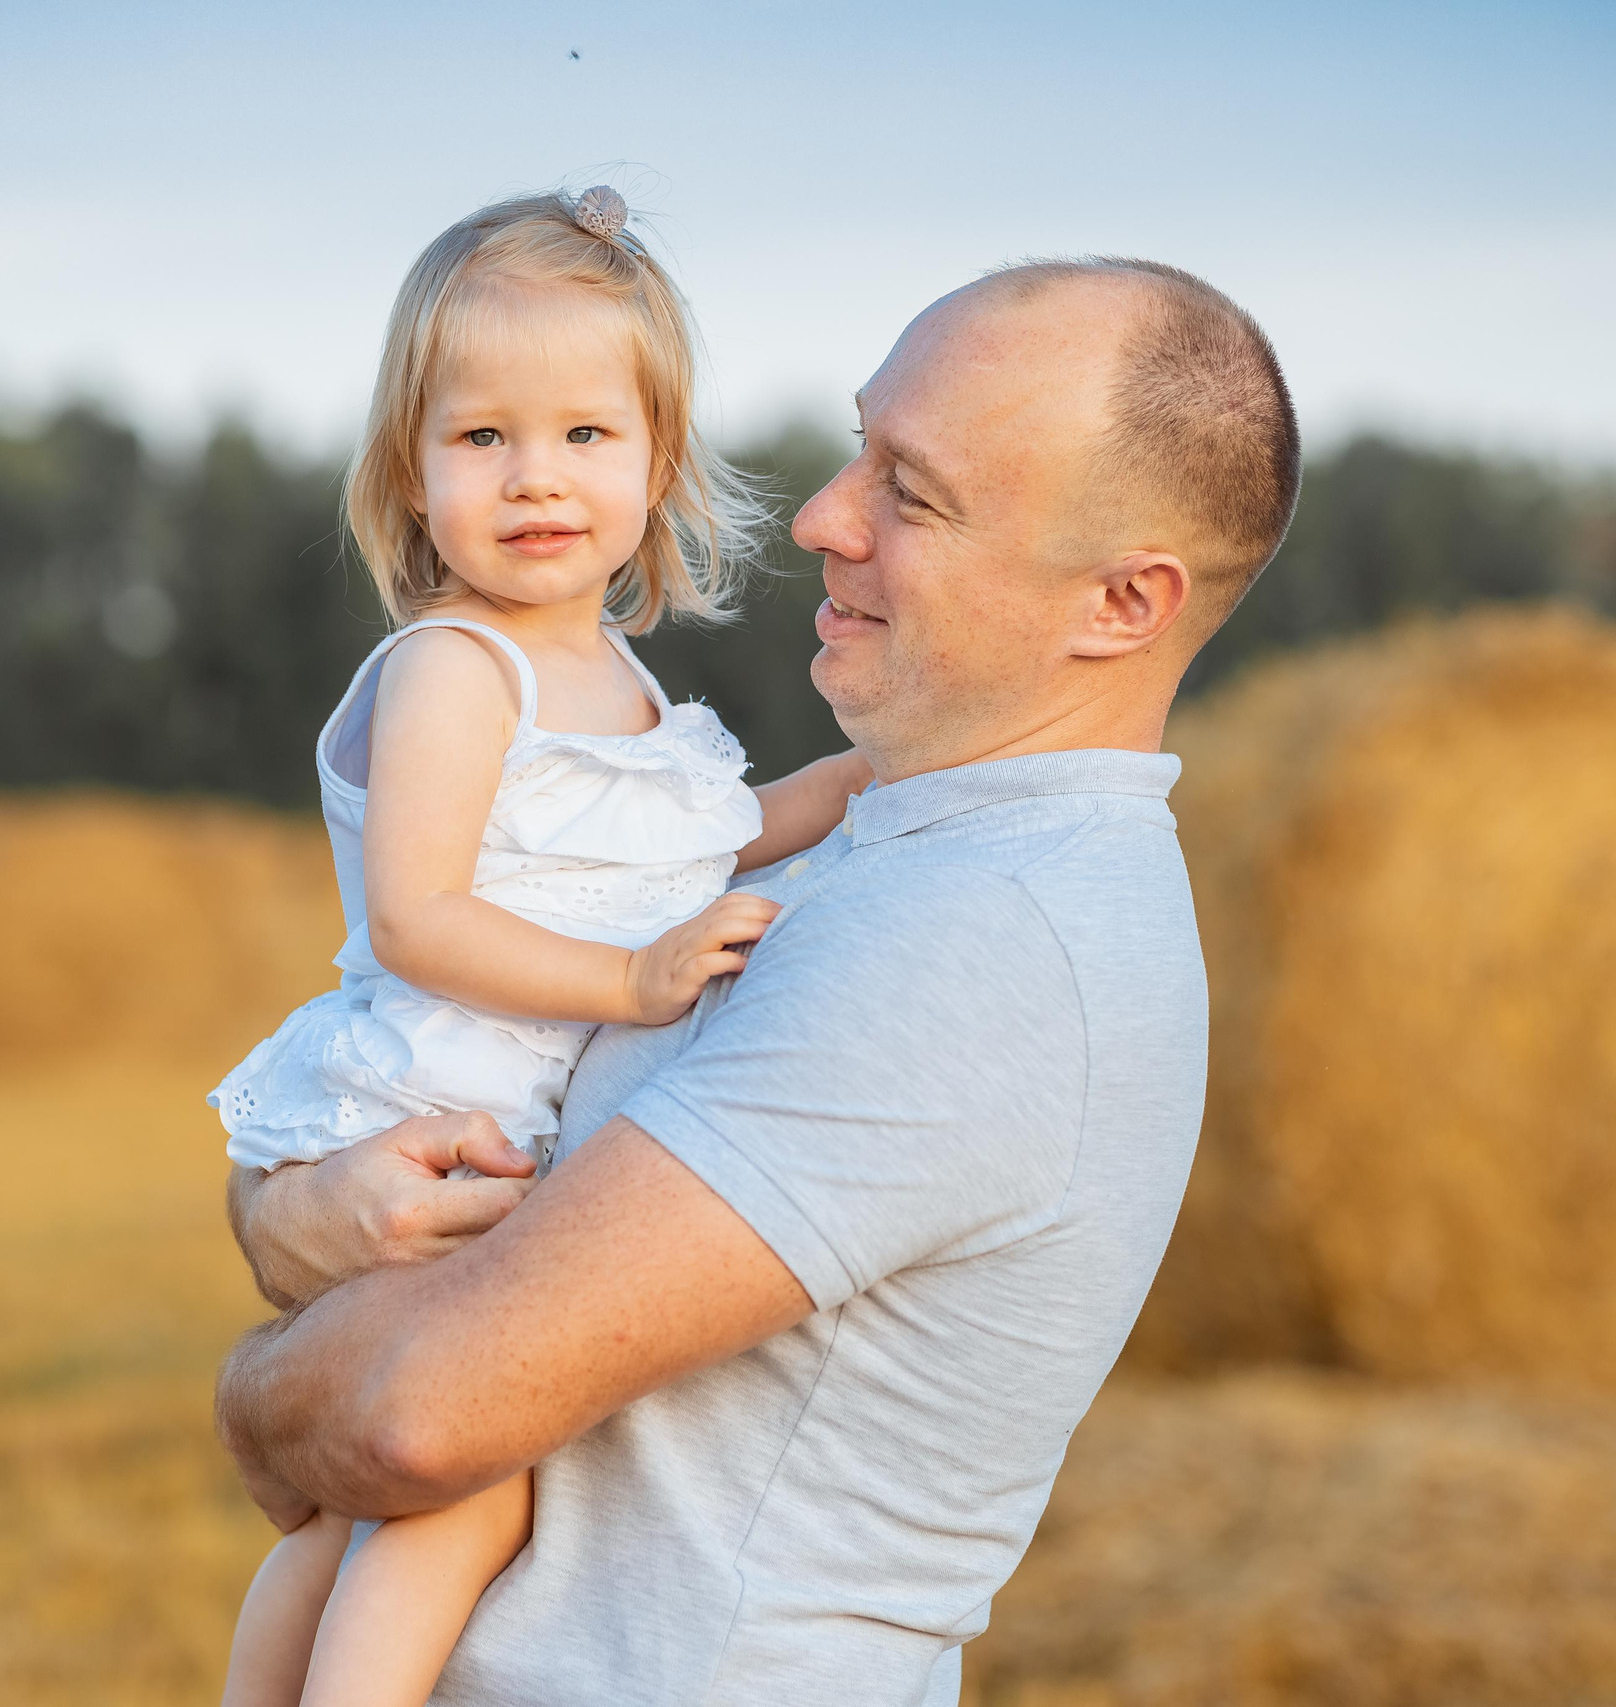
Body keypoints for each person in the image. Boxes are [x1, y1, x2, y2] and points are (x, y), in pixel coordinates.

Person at [216, 253, 1300, 1705]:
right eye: (860, 449)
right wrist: (298, 1217)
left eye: (910, 493)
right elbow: (423, 1120)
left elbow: (417, 1418)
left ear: (1119, 601)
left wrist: (258, 1385)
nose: (820, 517)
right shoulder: (868, 861)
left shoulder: (987, 944)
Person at [207, 187, 872, 1706]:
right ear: (410, 469)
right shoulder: (457, 668)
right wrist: (629, 987)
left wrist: (846, 789)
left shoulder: (622, 682)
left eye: (585, 436)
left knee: (372, 1506)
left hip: (512, 1130)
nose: (536, 478)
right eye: (482, 437)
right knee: (471, 1487)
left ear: (658, 461)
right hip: (434, 1119)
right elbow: (420, 916)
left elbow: (680, 847)